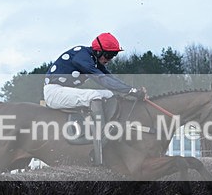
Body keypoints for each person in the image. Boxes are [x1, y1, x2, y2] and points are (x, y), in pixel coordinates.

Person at [43, 32, 147, 165]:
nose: (109, 59)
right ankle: (101, 142)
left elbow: (111, 79)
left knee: (109, 94)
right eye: (108, 55)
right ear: (98, 51)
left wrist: (133, 90)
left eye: (113, 55)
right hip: (54, 92)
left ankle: (108, 128)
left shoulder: (92, 58)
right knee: (95, 95)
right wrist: (131, 91)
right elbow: (102, 80)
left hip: (64, 90)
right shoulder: (82, 57)